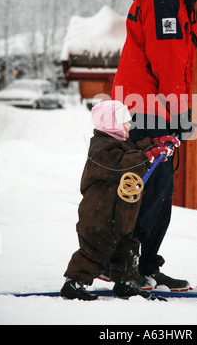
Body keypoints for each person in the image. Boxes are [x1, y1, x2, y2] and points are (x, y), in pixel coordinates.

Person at [111, 0, 197, 291]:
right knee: (147, 189)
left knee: (161, 192)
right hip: (146, 106)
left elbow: (179, 63)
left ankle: (148, 264)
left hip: (160, 107)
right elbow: (167, 56)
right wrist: (179, 109)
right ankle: (126, 266)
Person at [60, 100, 178, 300]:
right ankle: (74, 283)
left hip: (119, 215)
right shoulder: (100, 150)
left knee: (127, 247)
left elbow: (134, 152)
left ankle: (125, 283)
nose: (130, 126)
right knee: (94, 250)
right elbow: (121, 165)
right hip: (99, 214)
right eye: (124, 122)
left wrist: (155, 145)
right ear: (110, 124)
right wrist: (147, 156)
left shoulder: (120, 145)